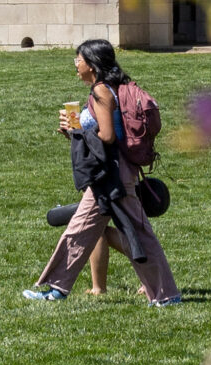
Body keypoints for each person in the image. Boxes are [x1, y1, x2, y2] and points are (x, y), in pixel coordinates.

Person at [23, 38, 181, 305]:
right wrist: (73, 133)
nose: (76, 63)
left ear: (92, 64)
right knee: (82, 229)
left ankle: (167, 295)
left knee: (131, 233)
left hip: (111, 174)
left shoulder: (101, 92)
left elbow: (107, 136)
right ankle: (57, 290)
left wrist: (77, 132)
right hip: (111, 172)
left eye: (79, 59)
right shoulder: (109, 89)